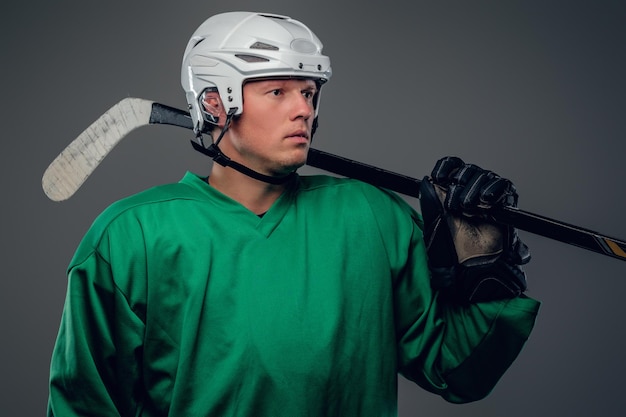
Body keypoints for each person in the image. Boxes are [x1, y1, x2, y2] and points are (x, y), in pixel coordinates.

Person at [47, 11, 540, 417]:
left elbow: (452, 369)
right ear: (216, 102)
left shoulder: (372, 217)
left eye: (308, 92)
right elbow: (84, 406)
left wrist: (487, 273)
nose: (303, 109)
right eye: (277, 91)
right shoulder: (131, 236)